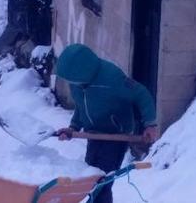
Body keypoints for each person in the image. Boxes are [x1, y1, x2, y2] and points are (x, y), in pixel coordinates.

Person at [53, 43, 158, 203]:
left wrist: (150, 124)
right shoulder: (77, 83)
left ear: (83, 72)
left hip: (115, 135)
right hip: (93, 134)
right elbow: (81, 106)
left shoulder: (112, 78)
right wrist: (73, 127)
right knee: (89, 179)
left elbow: (141, 94)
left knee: (101, 183)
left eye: (71, 79)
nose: (69, 82)